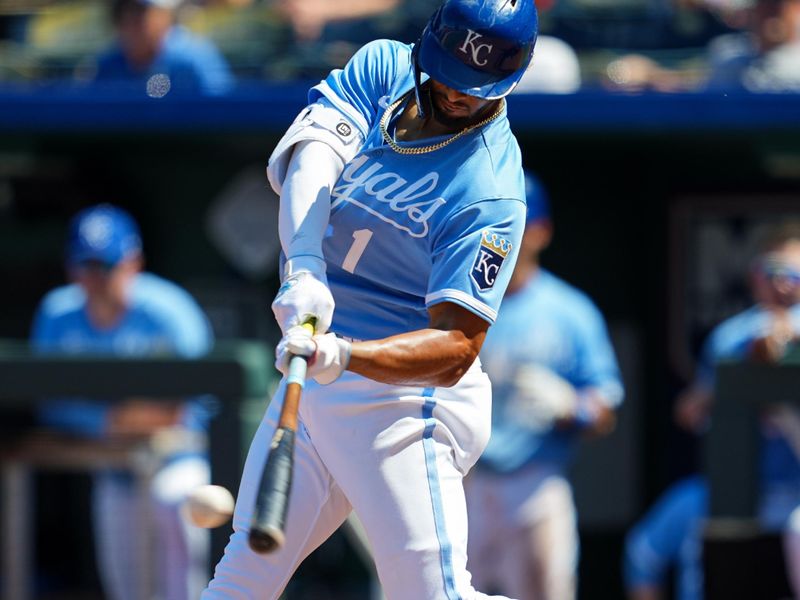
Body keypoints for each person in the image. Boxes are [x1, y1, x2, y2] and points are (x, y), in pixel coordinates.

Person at [203, 0, 537, 598]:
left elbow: (458, 346)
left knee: (432, 595)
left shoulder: (492, 190)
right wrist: (304, 267)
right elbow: (316, 154)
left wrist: (347, 356)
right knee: (242, 579)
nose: (460, 96)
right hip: (317, 375)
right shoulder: (384, 67)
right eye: (451, 76)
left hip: (407, 402)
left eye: (477, 86)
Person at [31, 204, 215, 600]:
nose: (95, 278)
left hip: (179, 462)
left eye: (106, 266)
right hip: (111, 468)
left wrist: (120, 417)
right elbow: (47, 402)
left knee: (176, 506)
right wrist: (112, 420)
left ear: (133, 263)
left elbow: (186, 405)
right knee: (127, 588)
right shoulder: (58, 313)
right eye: (86, 266)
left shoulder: (168, 310)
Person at [464, 173, 624, 600]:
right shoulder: (459, 301)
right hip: (465, 481)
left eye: (518, 224)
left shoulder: (569, 311)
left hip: (536, 482)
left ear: (541, 231)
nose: (508, 236)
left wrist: (573, 407)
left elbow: (605, 409)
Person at [623, 222, 800, 600]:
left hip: (797, 491)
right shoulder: (731, 338)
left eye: (795, 275)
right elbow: (691, 412)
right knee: (656, 542)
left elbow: (785, 337)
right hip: (738, 490)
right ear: (755, 277)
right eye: (773, 273)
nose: (784, 284)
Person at [606, 0, 800, 92]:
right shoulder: (728, 54)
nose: (771, 14)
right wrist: (650, 74)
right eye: (765, 5)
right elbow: (702, 88)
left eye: (779, 6)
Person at [86, 0, 233, 96]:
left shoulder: (195, 58)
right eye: (126, 11)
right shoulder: (108, 65)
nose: (132, 20)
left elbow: (222, 112)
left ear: (166, 17)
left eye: (142, 13)